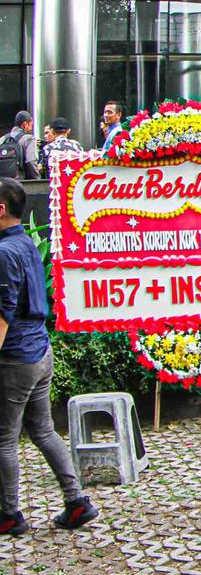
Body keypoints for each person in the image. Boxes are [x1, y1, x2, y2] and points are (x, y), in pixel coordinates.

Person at [0, 178, 99, 535]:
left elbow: (3, 311)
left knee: (4, 439)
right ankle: (77, 502)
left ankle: (9, 515)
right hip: (41, 349)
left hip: (16, 357)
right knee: (42, 429)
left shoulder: (4, 252)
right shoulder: (24, 243)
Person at [1, 112, 40, 180]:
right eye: (31, 125)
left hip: (3, 183)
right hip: (20, 182)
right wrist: (36, 179)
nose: (31, 128)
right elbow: (30, 161)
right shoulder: (29, 139)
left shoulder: (2, 139)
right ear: (25, 124)